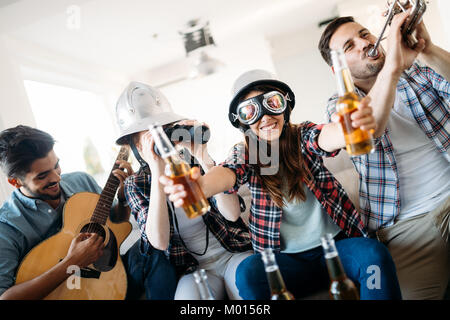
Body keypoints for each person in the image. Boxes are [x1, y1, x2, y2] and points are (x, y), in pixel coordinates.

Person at [160, 69, 402, 300]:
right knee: (248, 273)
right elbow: (227, 173)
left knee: (374, 254)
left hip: (337, 248)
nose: (265, 117)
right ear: (242, 121)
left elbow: (325, 137)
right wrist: (200, 187)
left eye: (272, 103)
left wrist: (347, 129)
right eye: (250, 112)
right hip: (286, 263)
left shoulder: (302, 135)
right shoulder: (247, 153)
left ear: (286, 106)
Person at [318, 10, 449, 299]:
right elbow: (369, 130)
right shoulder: (339, 106)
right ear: (337, 69)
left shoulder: (416, 70)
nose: (364, 43)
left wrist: (428, 48)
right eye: (349, 46)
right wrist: (392, 65)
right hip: (406, 228)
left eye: (364, 34)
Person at [0, 125, 177, 300]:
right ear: (15, 182)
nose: (56, 178)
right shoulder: (7, 226)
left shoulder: (80, 181)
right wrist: (73, 262)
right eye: (42, 175)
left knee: (155, 245)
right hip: (66, 294)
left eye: (57, 165)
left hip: (112, 278)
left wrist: (123, 199)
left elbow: (114, 225)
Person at [115, 82, 253, 300]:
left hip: (232, 253)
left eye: (164, 129)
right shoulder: (136, 184)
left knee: (252, 289)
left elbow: (232, 214)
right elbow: (158, 241)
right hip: (195, 270)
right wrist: (157, 169)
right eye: (150, 134)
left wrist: (203, 155)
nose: (161, 139)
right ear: (137, 146)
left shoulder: (194, 164)